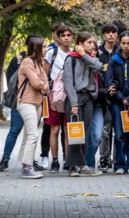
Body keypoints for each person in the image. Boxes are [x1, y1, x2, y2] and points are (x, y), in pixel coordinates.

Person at [63, 32, 104, 177]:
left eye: (93, 43)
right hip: (75, 99)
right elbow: (68, 84)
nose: (92, 45)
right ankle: (73, 166)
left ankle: (83, 165)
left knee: (85, 133)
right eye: (88, 42)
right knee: (75, 132)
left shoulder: (90, 59)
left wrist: (85, 55)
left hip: (88, 98)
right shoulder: (71, 59)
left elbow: (99, 67)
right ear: (80, 44)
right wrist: (73, 103)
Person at [0, 35, 37, 173]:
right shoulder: (18, 60)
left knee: (30, 133)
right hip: (20, 101)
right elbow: (11, 81)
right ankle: (5, 159)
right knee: (15, 130)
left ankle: (28, 160)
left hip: (35, 101)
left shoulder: (40, 60)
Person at [16, 36, 50, 179]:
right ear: (36, 48)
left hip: (37, 102)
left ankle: (24, 164)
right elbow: (37, 83)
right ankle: (27, 168)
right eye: (44, 46)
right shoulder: (27, 62)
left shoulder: (40, 63)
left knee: (28, 135)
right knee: (33, 135)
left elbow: (46, 84)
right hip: (26, 102)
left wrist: (43, 84)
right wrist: (43, 84)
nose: (46, 49)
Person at [107, 31, 129, 174]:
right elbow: (110, 81)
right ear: (119, 43)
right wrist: (122, 98)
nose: (126, 46)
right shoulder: (114, 60)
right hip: (118, 102)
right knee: (119, 134)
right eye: (123, 43)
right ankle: (120, 164)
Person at [44, 24, 73, 173]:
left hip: (69, 97)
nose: (66, 38)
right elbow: (45, 74)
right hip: (54, 96)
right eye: (63, 35)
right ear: (59, 37)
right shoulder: (52, 53)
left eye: (69, 35)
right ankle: (55, 161)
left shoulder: (74, 54)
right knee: (54, 129)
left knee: (67, 130)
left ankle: (68, 160)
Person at [94, 23, 118, 172]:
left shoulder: (120, 50)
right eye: (107, 32)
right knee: (104, 129)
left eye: (113, 32)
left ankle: (118, 158)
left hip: (118, 95)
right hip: (102, 95)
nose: (110, 35)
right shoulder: (98, 51)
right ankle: (104, 157)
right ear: (103, 35)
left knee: (119, 129)